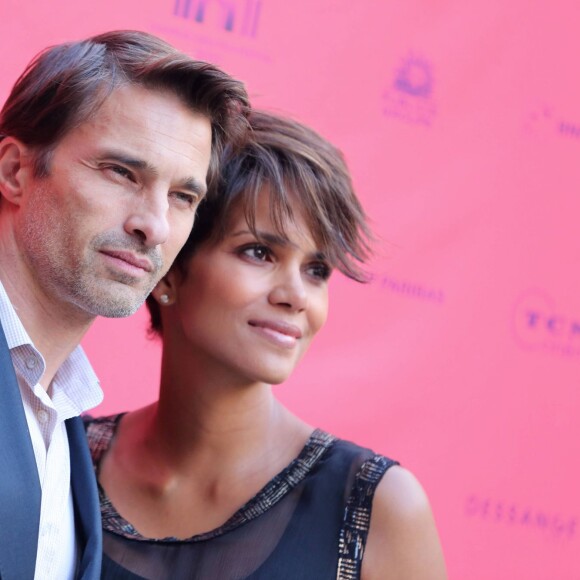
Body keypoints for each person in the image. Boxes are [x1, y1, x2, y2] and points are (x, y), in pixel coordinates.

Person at [85, 111, 447, 579]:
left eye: (316, 270)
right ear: (169, 269)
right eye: (259, 252)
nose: (296, 296)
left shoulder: (377, 508)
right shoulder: (62, 461)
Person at [0, 30, 248, 580]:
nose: (154, 225)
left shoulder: (66, 425)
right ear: (16, 171)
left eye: (184, 196)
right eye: (121, 173)